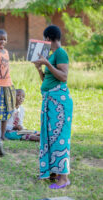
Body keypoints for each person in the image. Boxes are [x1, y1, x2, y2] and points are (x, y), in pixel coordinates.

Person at [32, 25, 73, 189]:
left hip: (60, 102)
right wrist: (39, 69)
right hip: (50, 101)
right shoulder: (53, 55)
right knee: (50, 137)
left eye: (45, 39)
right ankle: (54, 173)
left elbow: (63, 77)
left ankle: (64, 178)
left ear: (48, 38)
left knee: (60, 137)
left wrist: (47, 63)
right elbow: (47, 80)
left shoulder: (61, 53)